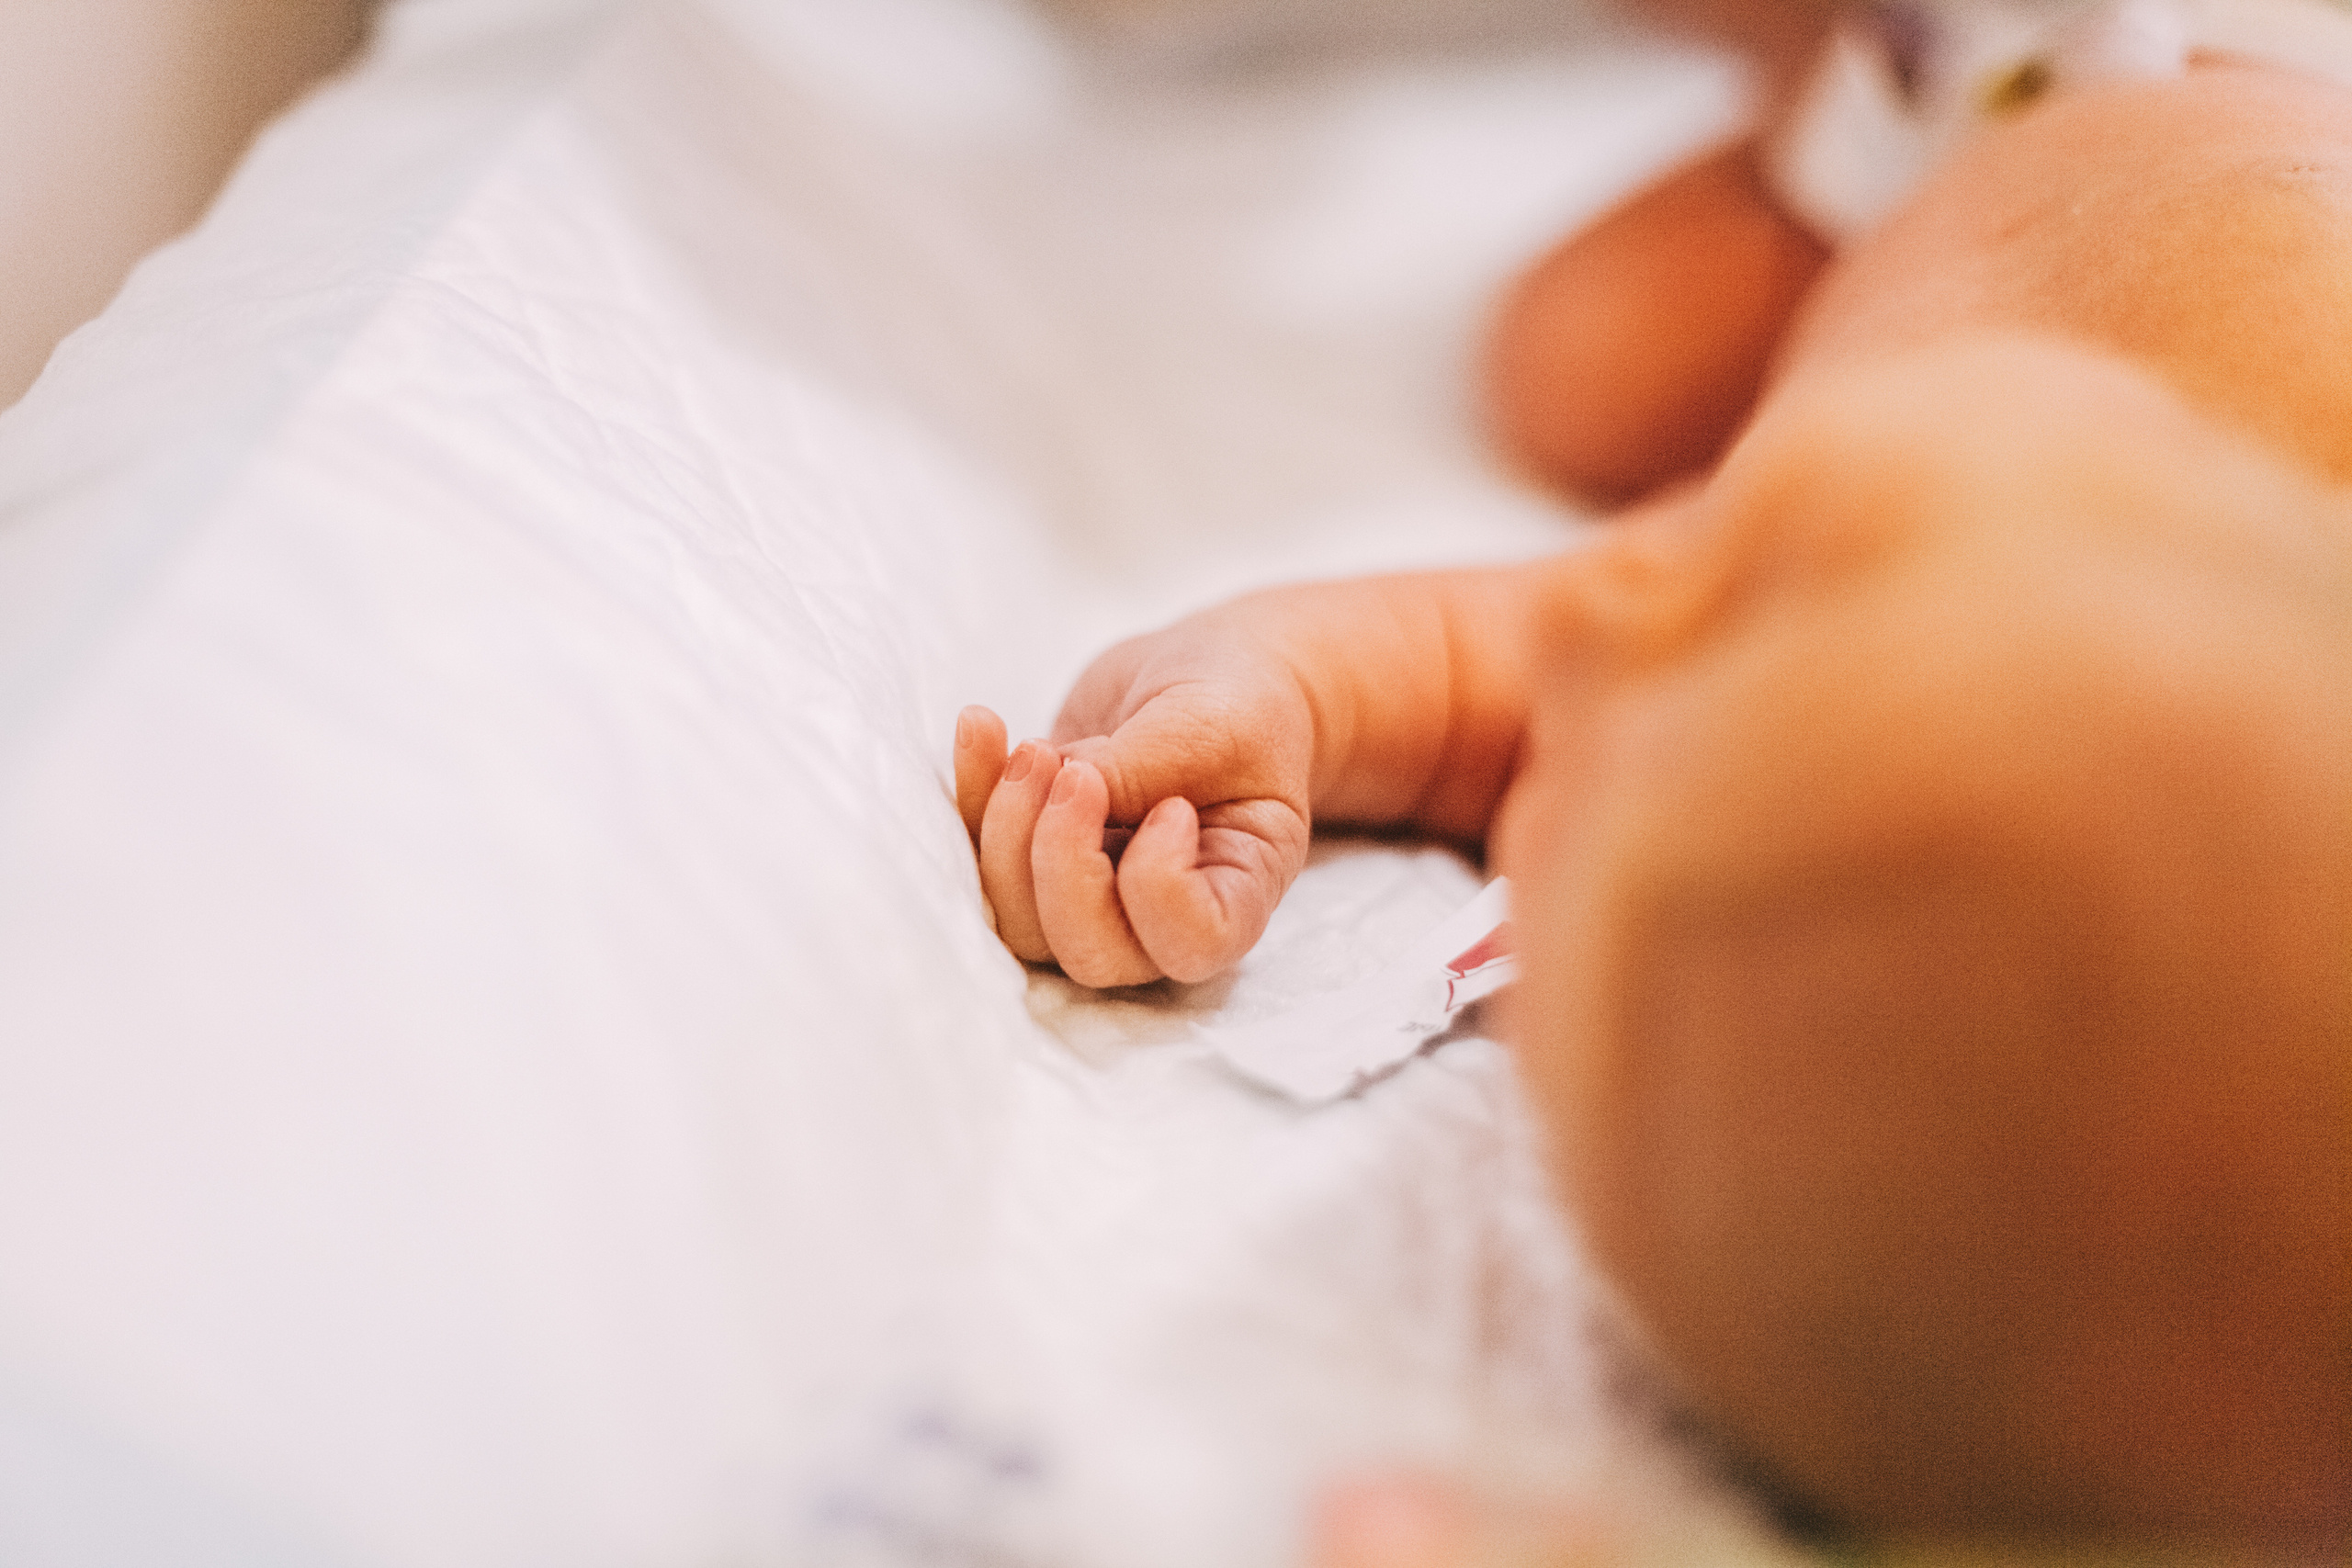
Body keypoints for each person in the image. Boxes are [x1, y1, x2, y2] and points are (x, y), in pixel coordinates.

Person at [954, 30, 2352, 1564]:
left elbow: (1481, 662)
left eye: (1552, 820)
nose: (1583, 618)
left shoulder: (1819, 730)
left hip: (1908, 157)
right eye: (1742, 572)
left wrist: (1274, 694)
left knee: (1581, 363)